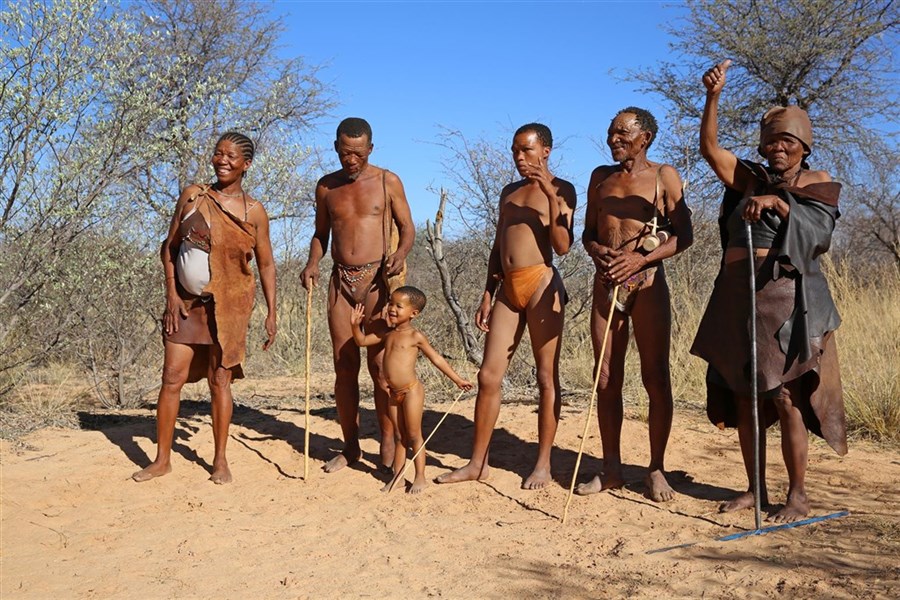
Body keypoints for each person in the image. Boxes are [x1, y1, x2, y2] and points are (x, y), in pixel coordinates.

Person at [693, 60, 847, 523]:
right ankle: (755, 487)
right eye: (771, 141)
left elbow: (818, 235)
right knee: (746, 395)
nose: (778, 148)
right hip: (738, 298)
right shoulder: (750, 178)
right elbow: (710, 149)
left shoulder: (817, 183)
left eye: (788, 141)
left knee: (785, 397)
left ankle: (797, 495)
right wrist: (713, 97)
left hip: (786, 301)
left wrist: (779, 202)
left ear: (803, 147)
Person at [436, 123, 576, 490]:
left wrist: (548, 193)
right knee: (488, 376)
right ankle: (477, 462)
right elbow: (499, 246)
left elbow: (562, 246)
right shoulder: (508, 192)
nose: (519, 157)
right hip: (507, 289)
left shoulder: (564, 190)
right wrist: (487, 292)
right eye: (515, 150)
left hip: (542, 283)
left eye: (526, 150)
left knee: (546, 378)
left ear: (545, 150)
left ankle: (543, 464)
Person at [132, 131, 277, 484]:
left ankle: (220, 461)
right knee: (171, 378)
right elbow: (169, 248)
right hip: (185, 305)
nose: (222, 160)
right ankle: (162, 459)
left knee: (220, 381)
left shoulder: (253, 212)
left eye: (231, 156)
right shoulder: (194, 196)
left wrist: (272, 313)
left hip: (228, 309)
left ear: (247, 165)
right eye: (218, 153)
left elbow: (267, 264)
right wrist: (172, 295)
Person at [577, 107, 693, 502]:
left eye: (622, 133)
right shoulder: (600, 178)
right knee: (606, 377)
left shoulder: (664, 176)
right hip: (606, 284)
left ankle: (656, 468)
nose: (614, 139)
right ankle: (611, 468)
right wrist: (600, 254)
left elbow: (684, 235)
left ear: (645, 137)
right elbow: (588, 234)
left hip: (647, 285)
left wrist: (641, 260)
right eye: (611, 133)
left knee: (656, 376)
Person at [300, 118, 415, 474]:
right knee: (344, 366)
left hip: (378, 282)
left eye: (359, 153)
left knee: (380, 367)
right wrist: (312, 262)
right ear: (336, 147)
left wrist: (401, 253)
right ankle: (350, 447)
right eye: (346, 152)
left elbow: (407, 227)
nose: (352, 160)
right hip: (340, 283)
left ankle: (388, 440)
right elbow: (321, 234)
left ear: (370, 149)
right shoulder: (326, 187)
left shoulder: (386, 181)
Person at [350, 286, 473, 493]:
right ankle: (398, 477)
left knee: (414, 436)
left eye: (399, 306)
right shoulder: (386, 333)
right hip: (393, 394)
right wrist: (355, 325)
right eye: (390, 303)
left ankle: (420, 477)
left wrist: (458, 380)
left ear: (413, 313)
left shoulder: (415, 336)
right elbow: (361, 341)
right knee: (400, 437)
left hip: (411, 391)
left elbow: (437, 359)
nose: (392, 309)